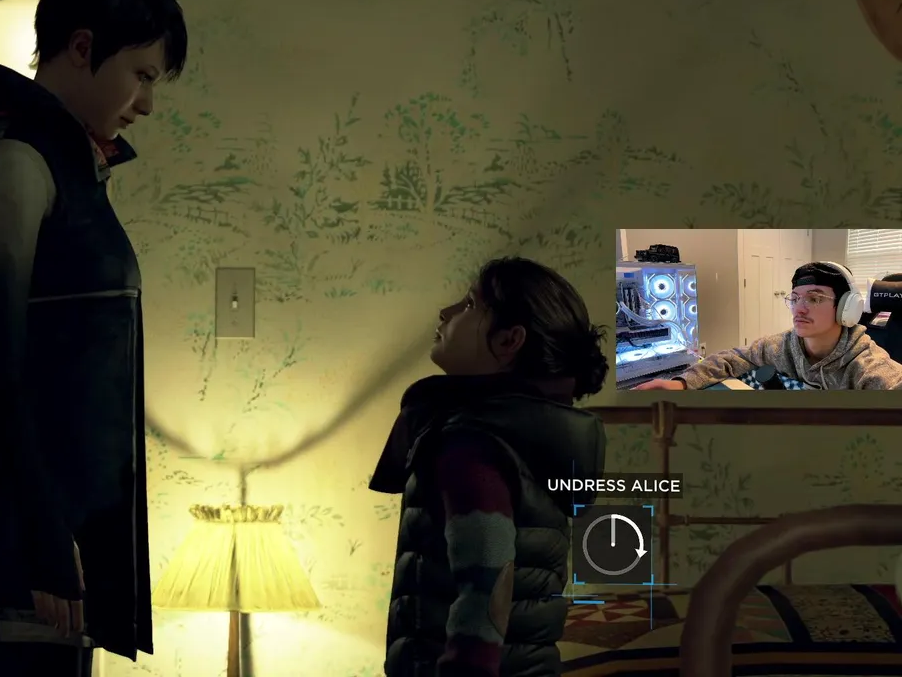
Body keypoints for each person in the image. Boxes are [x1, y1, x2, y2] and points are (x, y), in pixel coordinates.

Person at [0, 0, 187, 675]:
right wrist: (45, 538)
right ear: (83, 47)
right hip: (23, 536)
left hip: (58, 527)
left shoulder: (65, 167)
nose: (148, 103)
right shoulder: (16, 165)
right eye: (142, 75)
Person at [370, 257, 609, 677]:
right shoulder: (526, 437)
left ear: (508, 340)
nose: (445, 312)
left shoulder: (473, 442)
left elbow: (486, 585)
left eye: (468, 304)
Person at [635, 261, 902, 390]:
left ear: (847, 308)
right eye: (795, 298)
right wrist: (681, 384)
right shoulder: (782, 346)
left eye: (814, 298)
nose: (799, 308)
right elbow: (731, 358)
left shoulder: (867, 364)